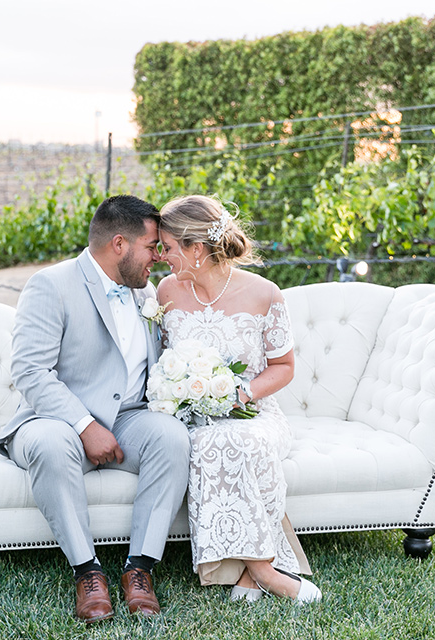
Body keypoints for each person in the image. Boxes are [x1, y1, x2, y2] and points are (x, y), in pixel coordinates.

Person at [0, 194, 191, 624]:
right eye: (150, 246)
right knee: (48, 444)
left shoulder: (149, 295)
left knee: (173, 438)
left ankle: (139, 568)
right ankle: (88, 572)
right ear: (118, 244)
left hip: (131, 418)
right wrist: (85, 425)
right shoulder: (52, 284)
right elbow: (31, 371)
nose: (157, 257)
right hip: (56, 420)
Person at [156, 194, 321, 604]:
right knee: (212, 440)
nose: (161, 256)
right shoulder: (164, 292)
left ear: (196, 250)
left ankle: (252, 571)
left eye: (168, 247)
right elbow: (159, 363)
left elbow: (284, 366)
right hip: (192, 416)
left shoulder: (265, 293)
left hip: (255, 413)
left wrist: (240, 393)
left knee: (242, 441)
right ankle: (265, 569)